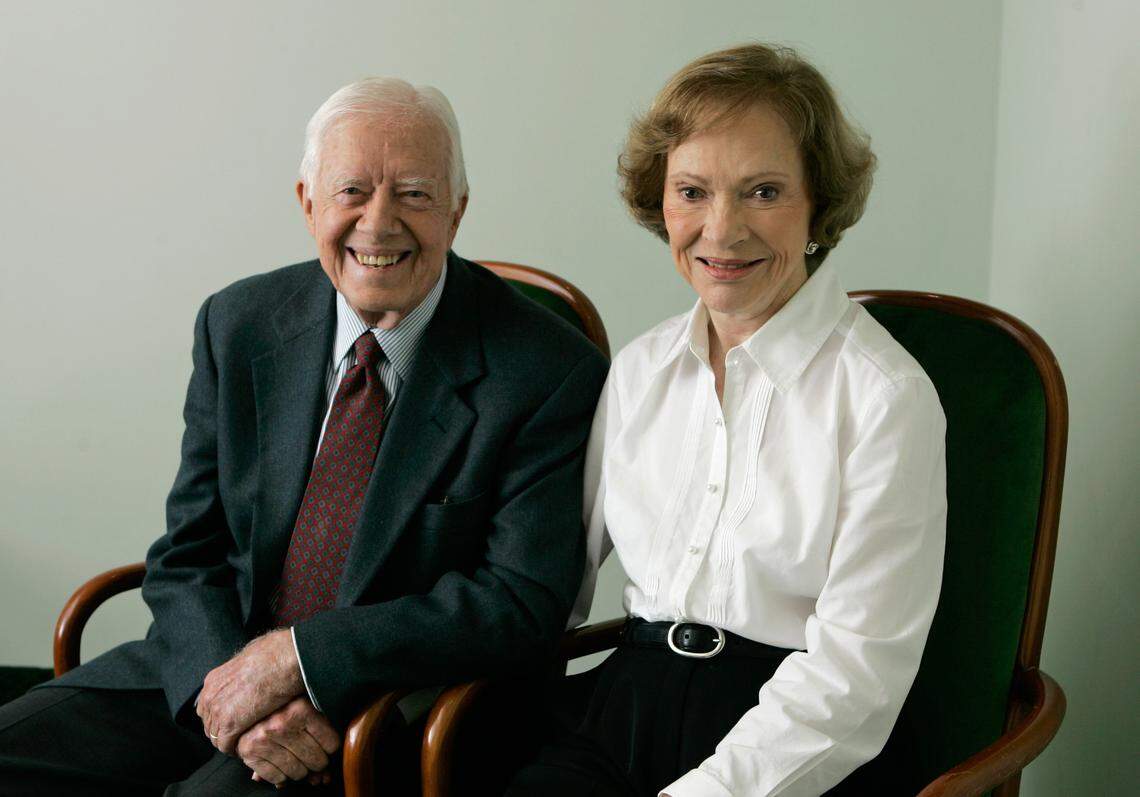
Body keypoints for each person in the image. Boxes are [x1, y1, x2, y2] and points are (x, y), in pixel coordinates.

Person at [0, 77, 608, 795]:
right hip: (208, 669)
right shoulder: (239, 322)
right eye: (352, 191)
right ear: (307, 202)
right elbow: (188, 552)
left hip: (388, 704)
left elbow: (517, 601)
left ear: (457, 209)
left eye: (414, 193)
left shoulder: (546, 368)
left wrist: (299, 659)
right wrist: (228, 690)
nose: (378, 223)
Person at [509, 43, 947, 796]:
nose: (721, 229)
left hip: (798, 742)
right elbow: (554, 583)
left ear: (820, 205)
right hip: (622, 710)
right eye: (692, 191)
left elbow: (856, 676)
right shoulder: (639, 369)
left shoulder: (886, 396)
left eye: (763, 192)